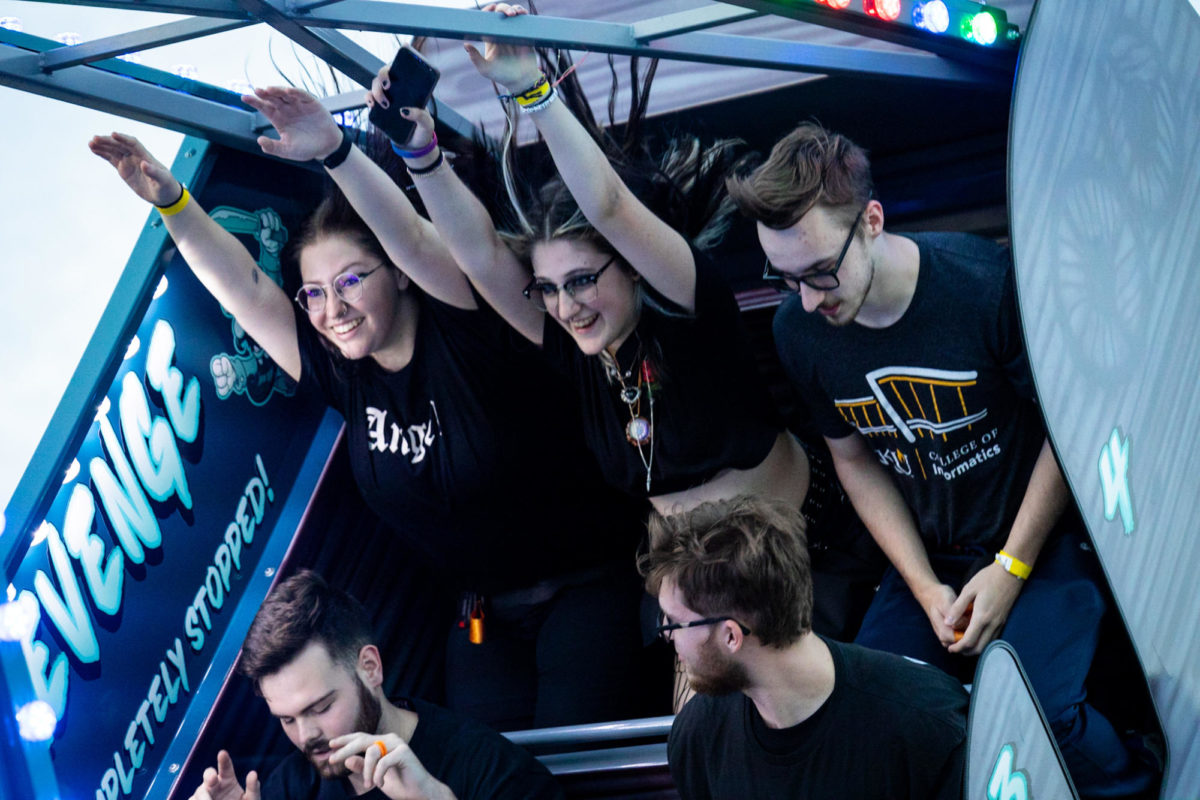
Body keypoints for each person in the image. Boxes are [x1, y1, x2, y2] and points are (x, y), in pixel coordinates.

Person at [88, 88, 651, 730]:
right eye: (315, 292)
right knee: (482, 770)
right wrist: (172, 203)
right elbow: (246, 290)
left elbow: (412, 235)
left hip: (586, 587)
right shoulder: (341, 370)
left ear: (401, 274)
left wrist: (336, 151)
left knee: (572, 760)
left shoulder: (467, 327)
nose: (333, 309)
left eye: (352, 280)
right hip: (481, 616)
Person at [727, 120, 1155, 797]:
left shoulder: (983, 285)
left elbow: (1065, 430)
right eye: (785, 280)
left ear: (871, 220)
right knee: (865, 720)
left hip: (1044, 544)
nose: (808, 299)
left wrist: (1011, 567)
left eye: (818, 273)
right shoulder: (799, 331)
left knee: (1043, 719)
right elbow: (855, 461)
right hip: (932, 557)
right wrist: (924, 585)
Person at [368, 3, 810, 519]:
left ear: (631, 265)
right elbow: (480, 254)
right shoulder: (574, 347)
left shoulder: (689, 305)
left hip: (804, 554)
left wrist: (531, 91)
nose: (564, 305)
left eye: (579, 280)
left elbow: (609, 207)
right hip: (692, 587)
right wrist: (420, 153)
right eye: (548, 287)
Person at [640, 495, 967, 799]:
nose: (668, 637)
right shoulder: (699, 736)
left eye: (673, 623)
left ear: (731, 636)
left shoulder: (928, 726)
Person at [187, 570, 563, 800]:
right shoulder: (289, 787)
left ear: (369, 667)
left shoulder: (488, 768)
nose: (306, 736)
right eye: (286, 720)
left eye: (320, 707)